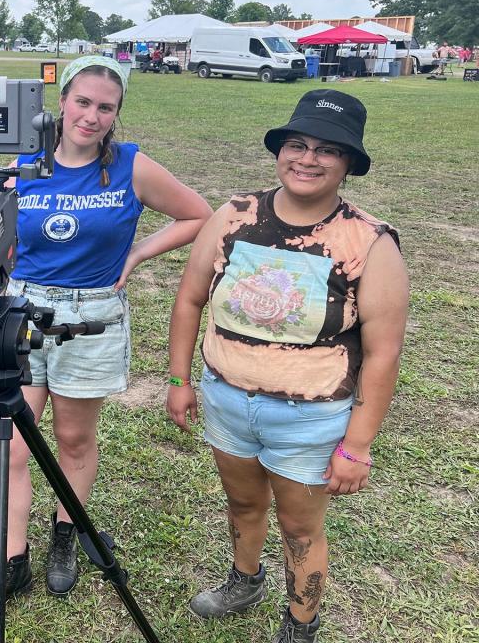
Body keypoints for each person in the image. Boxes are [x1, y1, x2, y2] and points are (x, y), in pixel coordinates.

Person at [0, 55, 212, 618]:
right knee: (7, 446)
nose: (92, 116)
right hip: (19, 311)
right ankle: (12, 561)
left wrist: (139, 252)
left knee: (73, 441)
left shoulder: (128, 164)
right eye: (83, 102)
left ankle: (65, 535)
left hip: (90, 315)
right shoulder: (23, 161)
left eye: (106, 107)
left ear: (116, 113)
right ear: (62, 101)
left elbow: (198, 214)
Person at [165, 89, 408, 643]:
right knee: (243, 502)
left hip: (310, 418)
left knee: (300, 528)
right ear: (279, 151)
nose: (307, 158)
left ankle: (301, 623)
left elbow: (384, 351)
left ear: (349, 164)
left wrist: (358, 445)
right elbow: (189, 298)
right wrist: (179, 380)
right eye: (296, 144)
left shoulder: (369, 242)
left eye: (328, 150)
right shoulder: (235, 215)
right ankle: (244, 580)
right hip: (227, 398)